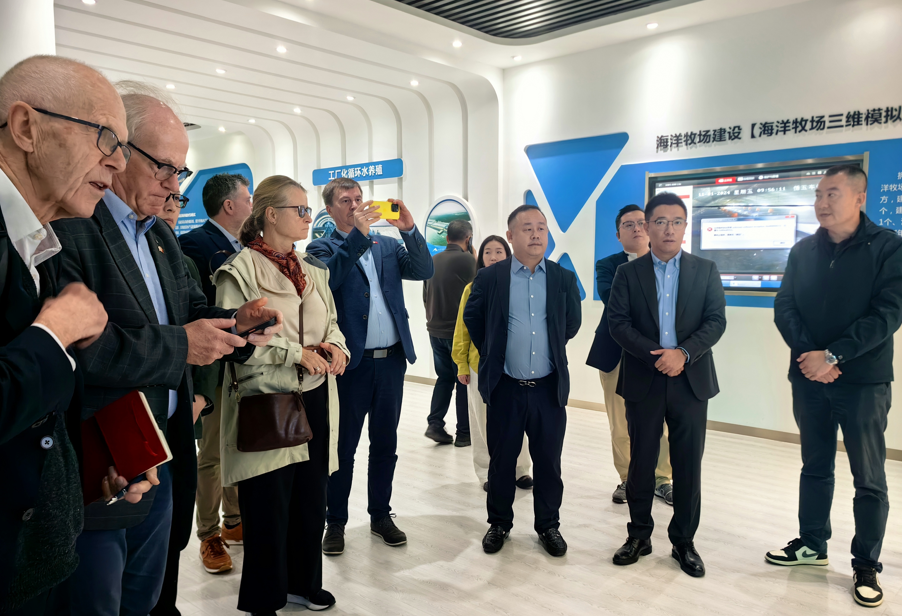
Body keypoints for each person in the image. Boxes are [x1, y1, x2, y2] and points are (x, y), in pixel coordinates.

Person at [51, 81, 282, 616]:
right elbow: (79, 346)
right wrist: (182, 345)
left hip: (165, 454)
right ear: (118, 149)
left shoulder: (158, 235)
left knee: (149, 599)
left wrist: (236, 324)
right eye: (162, 167)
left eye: (180, 171)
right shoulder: (72, 227)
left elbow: (190, 310)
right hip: (104, 465)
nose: (173, 184)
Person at [0, 54, 155, 616]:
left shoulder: (40, 242)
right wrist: (54, 333)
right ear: (26, 127)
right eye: (106, 138)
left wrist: (95, 460)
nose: (119, 164)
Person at [214, 174, 349, 616]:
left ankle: (304, 584)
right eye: (301, 209)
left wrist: (337, 348)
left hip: (316, 396)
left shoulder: (313, 270)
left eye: (309, 210)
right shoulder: (240, 270)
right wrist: (297, 354)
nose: (309, 217)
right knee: (268, 505)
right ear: (271, 215)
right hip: (268, 400)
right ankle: (264, 598)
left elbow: (332, 323)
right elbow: (238, 339)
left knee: (311, 499)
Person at [768, 165, 902, 608]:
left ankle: (866, 564)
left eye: (832, 194)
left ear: (860, 198)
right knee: (815, 466)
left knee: (869, 476)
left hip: (863, 382)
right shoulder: (803, 249)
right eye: (818, 194)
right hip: (809, 378)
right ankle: (812, 544)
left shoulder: (889, 248)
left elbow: (888, 314)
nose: (821, 203)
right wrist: (811, 356)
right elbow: (785, 305)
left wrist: (834, 355)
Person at [307, 177, 433, 555]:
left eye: (358, 198)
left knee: (385, 443)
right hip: (350, 366)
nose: (355, 205)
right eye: (346, 200)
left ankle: (380, 515)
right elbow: (329, 281)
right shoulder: (320, 248)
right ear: (330, 209)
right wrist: (357, 237)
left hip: (391, 362)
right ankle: (335, 521)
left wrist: (409, 229)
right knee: (342, 448)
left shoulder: (388, 245)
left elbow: (423, 269)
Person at [607, 192, 726, 578]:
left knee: (687, 464)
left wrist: (683, 354)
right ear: (647, 227)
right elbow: (618, 324)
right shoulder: (628, 274)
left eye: (676, 221)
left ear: (685, 227)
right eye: (660, 221)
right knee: (641, 462)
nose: (669, 229)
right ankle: (639, 535)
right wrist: (658, 356)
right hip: (644, 378)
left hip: (691, 381)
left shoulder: (705, 269)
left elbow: (715, 321)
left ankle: (684, 542)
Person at [464, 205, 581, 557]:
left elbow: (571, 324)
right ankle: (499, 523)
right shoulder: (491, 277)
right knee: (502, 462)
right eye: (527, 228)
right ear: (511, 235)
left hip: (548, 388)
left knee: (549, 464)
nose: (536, 234)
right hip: (506, 388)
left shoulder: (562, 278)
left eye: (541, 228)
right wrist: (495, 351)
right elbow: (474, 319)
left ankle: (548, 525)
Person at [179, 173, 252, 574]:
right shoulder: (194, 245)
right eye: (248, 199)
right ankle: (208, 533)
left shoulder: (247, 246)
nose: (252, 206)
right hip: (212, 365)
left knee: (238, 445)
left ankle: (234, 520)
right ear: (229, 205)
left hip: (245, 362)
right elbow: (196, 310)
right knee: (211, 454)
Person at [586, 204, 673, 505]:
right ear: (618, 234)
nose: (636, 228)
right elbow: (613, 301)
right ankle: (628, 478)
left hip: (658, 354)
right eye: (628, 224)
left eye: (640, 223)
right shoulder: (607, 265)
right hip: (616, 353)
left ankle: (662, 479)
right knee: (620, 422)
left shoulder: (668, 264)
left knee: (660, 421)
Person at [452, 235, 532, 491]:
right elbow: (462, 330)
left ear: (508, 256)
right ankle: (487, 472)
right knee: (481, 421)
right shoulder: (472, 288)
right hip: (480, 365)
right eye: (488, 252)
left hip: (514, 366)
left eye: (499, 251)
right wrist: (461, 365)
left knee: (518, 419)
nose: (494, 257)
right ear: (481, 257)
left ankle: (520, 469)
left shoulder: (519, 285)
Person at [424, 219, 476, 446]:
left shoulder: (432, 260)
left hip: (434, 329)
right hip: (457, 333)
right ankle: (464, 433)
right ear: (469, 239)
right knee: (463, 380)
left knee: (444, 378)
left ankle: (435, 423)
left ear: (446, 238)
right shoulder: (469, 261)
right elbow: (478, 294)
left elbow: (425, 296)